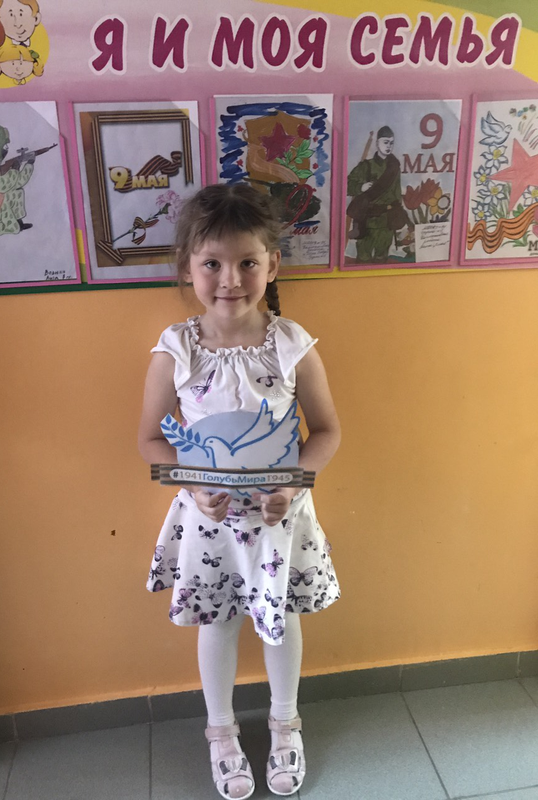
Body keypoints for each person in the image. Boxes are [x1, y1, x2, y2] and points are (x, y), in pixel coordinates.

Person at [138, 184, 341, 799]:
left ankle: (286, 724)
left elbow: (327, 431)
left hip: (281, 516)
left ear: (272, 264)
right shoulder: (175, 349)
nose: (230, 279)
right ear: (188, 268)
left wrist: (293, 484)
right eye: (212, 264)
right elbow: (150, 442)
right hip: (210, 521)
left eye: (247, 262)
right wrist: (193, 486)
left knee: (282, 619)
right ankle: (221, 732)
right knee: (219, 622)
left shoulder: (292, 344)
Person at [346, 125, 410, 263]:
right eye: (385, 142)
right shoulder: (366, 166)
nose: (389, 146)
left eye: (391, 143)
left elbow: (397, 193)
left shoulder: (394, 167)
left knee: (381, 259)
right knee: (363, 259)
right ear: (377, 143)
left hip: (386, 222)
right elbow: (347, 185)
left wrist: (397, 214)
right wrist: (361, 187)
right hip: (366, 221)